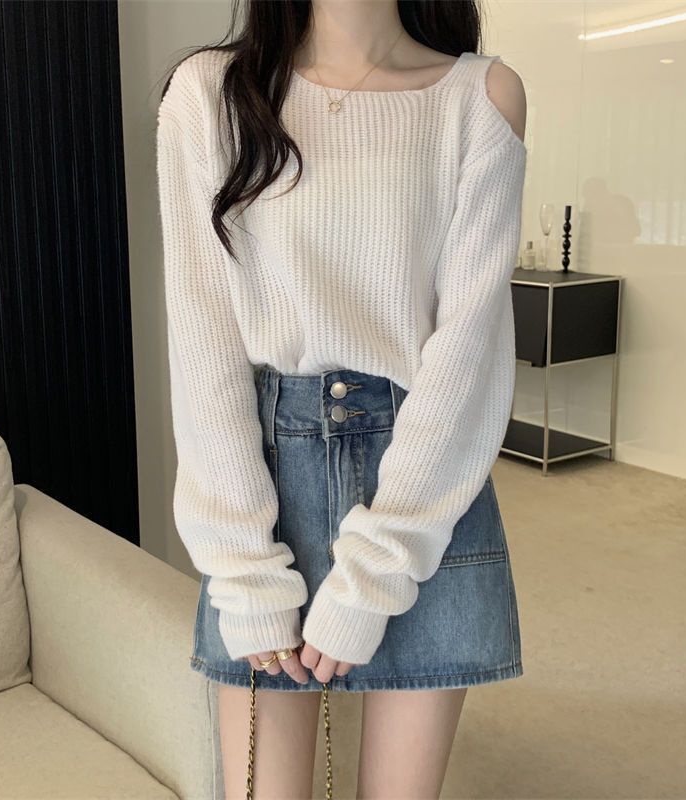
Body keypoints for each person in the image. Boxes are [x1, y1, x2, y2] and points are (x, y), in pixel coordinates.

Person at [156, 1, 527, 797]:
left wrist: (380, 566)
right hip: (266, 475)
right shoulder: (209, 94)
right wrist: (244, 567)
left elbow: (467, 357)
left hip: (424, 480)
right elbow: (203, 345)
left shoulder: (480, 98)